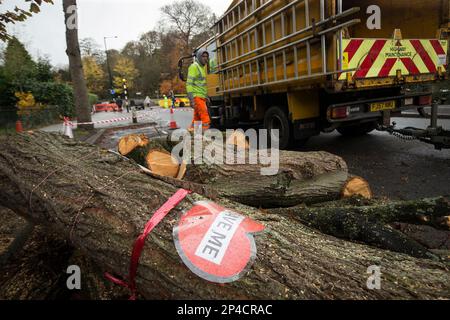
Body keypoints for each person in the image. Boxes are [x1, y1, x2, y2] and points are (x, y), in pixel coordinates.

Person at [187, 48, 211, 131]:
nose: (205, 58)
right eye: (203, 56)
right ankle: (204, 137)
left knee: (197, 119)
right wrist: (191, 99)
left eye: (206, 56)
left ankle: (192, 134)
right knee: (205, 119)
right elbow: (189, 84)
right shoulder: (194, 67)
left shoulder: (201, 68)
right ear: (199, 57)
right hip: (197, 97)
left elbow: (201, 85)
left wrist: (206, 96)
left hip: (201, 97)